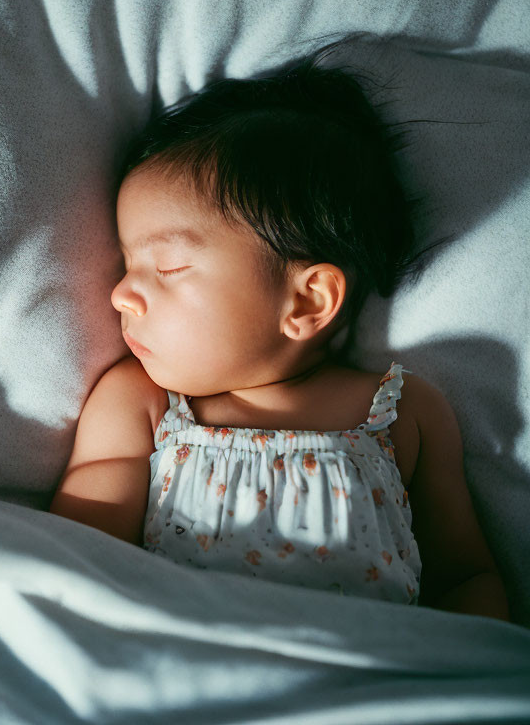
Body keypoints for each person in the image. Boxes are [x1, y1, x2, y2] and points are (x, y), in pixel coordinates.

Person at [49, 42, 510, 621]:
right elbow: (79, 560)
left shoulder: (404, 412)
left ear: (308, 300)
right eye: (125, 265)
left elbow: (465, 576)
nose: (119, 293)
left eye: (165, 268)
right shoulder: (142, 403)